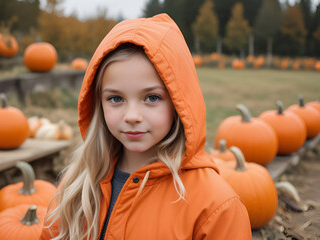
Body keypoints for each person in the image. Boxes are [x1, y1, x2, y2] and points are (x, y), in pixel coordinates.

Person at [40, 13, 252, 240]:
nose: (132, 116)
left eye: (151, 98)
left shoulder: (216, 205)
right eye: (115, 99)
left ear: (178, 102)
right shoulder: (78, 184)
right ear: (98, 103)